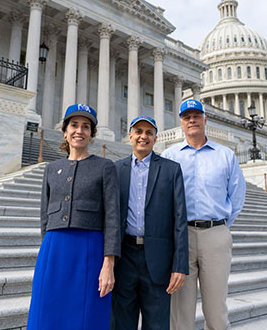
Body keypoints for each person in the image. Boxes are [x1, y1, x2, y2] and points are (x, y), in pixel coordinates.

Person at [27, 104, 120, 330]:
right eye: (74, 125)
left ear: (92, 134)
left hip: (89, 249)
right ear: (65, 131)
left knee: (86, 316)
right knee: (46, 312)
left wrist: (109, 263)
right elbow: (44, 214)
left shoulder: (105, 167)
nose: (79, 131)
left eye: (86, 127)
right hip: (54, 248)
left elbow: (112, 217)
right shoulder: (52, 168)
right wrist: (47, 249)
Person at [162, 99, 246, 330]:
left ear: (205, 119)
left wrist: (221, 226)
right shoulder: (170, 155)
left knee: (216, 308)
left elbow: (237, 196)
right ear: (180, 122)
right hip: (181, 236)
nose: (192, 120)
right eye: (187, 117)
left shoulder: (226, 155)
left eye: (196, 116)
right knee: (180, 309)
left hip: (215, 234)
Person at [111, 115, 189, 330]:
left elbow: (180, 220)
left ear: (155, 138)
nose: (143, 137)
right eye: (138, 132)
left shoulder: (171, 170)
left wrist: (179, 265)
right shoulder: (116, 170)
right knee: (121, 323)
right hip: (124, 257)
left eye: (148, 132)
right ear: (130, 136)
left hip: (158, 260)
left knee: (157, 324)